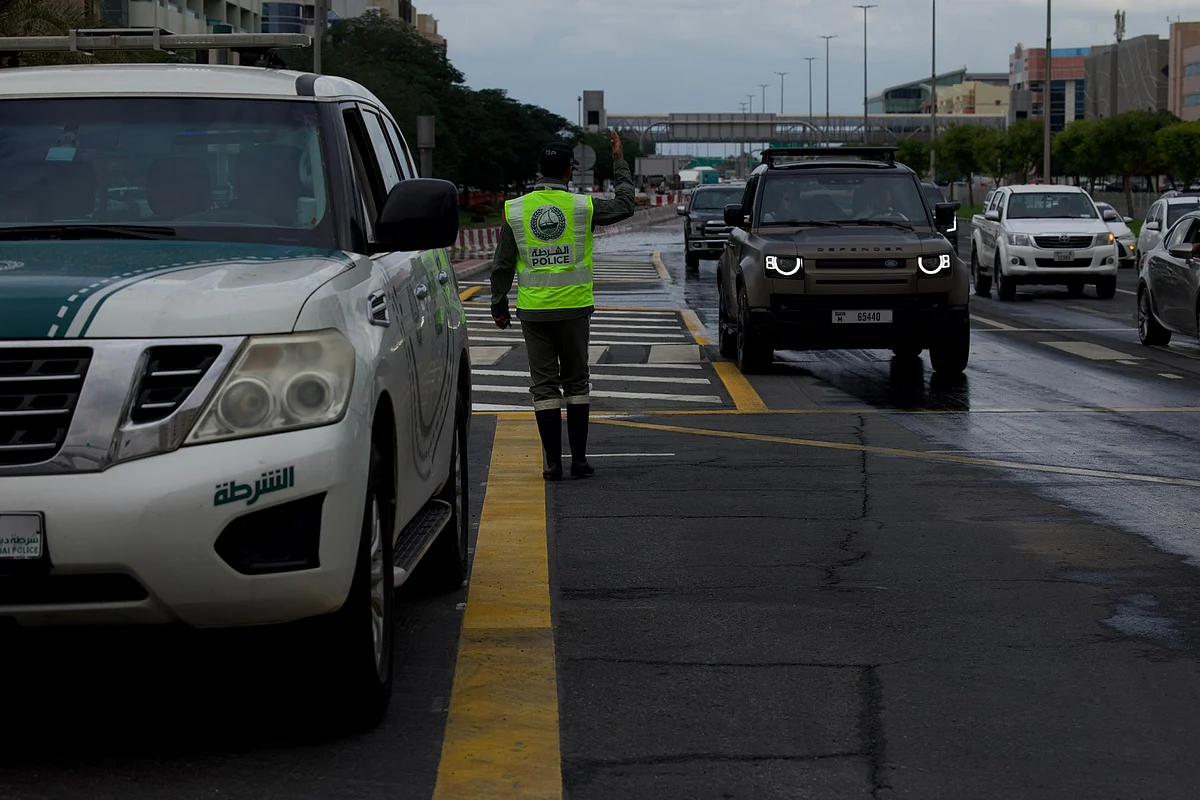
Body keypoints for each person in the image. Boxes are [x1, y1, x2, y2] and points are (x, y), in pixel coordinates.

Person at [490, 131, 636, 480]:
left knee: (544, 387)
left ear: (539, 169)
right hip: (574, 310)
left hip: (534, 311)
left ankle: (553, 464)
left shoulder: (517, 209)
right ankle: (580, 461)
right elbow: (626, 205)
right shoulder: (583, 207)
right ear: (569, 171)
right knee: (576, 383)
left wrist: (498, 303)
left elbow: (502, 263)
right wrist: (619, 162)